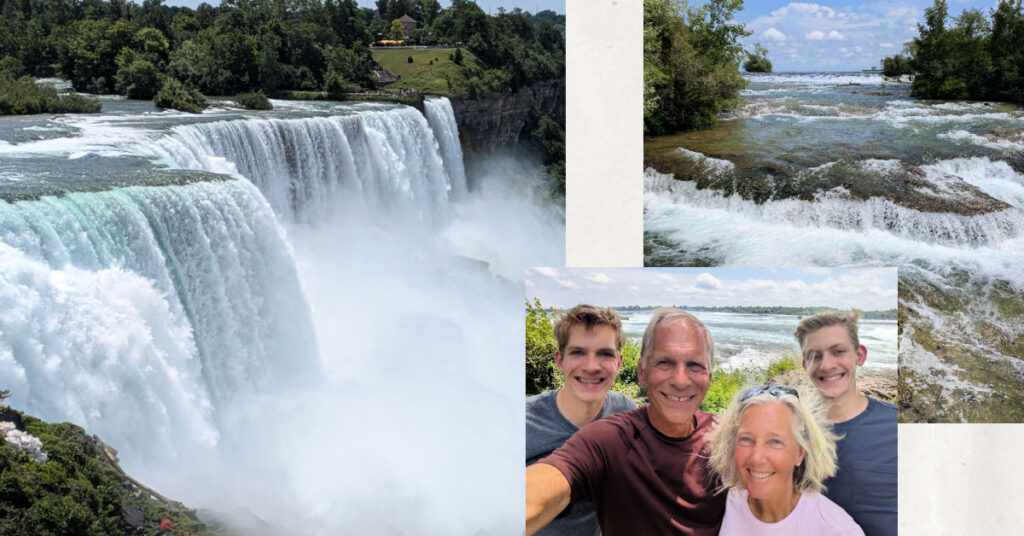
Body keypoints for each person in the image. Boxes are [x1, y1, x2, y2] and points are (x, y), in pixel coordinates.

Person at [525, 308, 726, 536]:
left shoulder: (726, 436)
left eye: (695, 365)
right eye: (664, 362)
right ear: (642, 371)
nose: (591, 367)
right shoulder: (605, 436)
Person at [526, 304, 637, 535]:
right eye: (578, 352)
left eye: (605, 354)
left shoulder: (625, 413)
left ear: (618, 363)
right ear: (560, 360)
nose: (591, 366)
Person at [706, 385, 864, 535]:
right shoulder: (730, 500)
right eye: (746, 439)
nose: (756, 458)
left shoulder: (837, 529)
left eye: (775, 442)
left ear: (799, 454)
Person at [795, 311, 897, 536]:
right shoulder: (794, 430)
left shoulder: (897, 426)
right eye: (815, 356)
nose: (827, 365)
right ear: (805, 365)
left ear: (859, 356)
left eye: (838, 351)